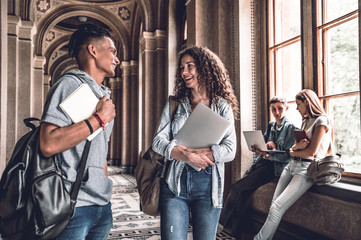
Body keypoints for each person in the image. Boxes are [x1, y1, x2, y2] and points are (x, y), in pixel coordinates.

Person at [39, 24, 119, 240]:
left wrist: (104, 187)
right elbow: (48, 144)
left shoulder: (104, 96)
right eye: (112, 51)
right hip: (72, 205)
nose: (117, 59)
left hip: (101, 204)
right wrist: (99, 119)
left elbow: (100, 151)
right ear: (93, 50)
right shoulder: (68, 85)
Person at [152, 46, 239, 240]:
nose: (184, 72)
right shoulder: (175, 103)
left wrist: (205, 154)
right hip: (175, 183)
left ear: (205, 68)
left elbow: (231, 149)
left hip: (209, 186)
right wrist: (185, 155)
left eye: (190, 66)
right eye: (182, 67)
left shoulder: (222, 106)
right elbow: (158, 141)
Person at [254, 89, 333, 240]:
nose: (297, 108)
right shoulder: (305, 120)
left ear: (307, 102)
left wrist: (294, 151)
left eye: (298, 104)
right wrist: (296, 149)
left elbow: (310, 152)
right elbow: (296, 146)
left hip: (305, 170)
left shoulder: (321, 121)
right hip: (291, 166)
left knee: (277, 208)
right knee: (273, 206)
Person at [219, 96, 296, 236]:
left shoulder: (291, 128)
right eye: (273, 109)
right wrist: (263, 147)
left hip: (274, 168)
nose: (277, 112)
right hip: (262, 162)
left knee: (237, 187)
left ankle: (220, 224)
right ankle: (235, 232)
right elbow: (264, 143)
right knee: (243, 193)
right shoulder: (272, 125)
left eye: (280, 108)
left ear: (286, 108)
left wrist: (268, 154)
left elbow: (288, 156)